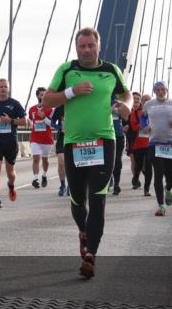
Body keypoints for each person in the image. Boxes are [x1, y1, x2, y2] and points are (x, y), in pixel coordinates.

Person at [43, 27, 130, 279]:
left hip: (104, 141)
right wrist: (72, 91)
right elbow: (47, 100)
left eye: (91, 45)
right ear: (76, 47)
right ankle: (83, 230)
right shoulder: (66, 70)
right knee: (78, 199)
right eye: (82, 46)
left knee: (99, 198)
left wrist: (126, 105)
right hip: (74, 144)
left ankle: (91, 254)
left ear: (98, 46)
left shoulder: (112, 70)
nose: (87, 50)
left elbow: (125, 92)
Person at [0, 78, 28, 209]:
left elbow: (24, 121)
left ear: (8, 89)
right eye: (0, 87)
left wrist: (10, 120)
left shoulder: (15, 104)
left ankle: (11, 186)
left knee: (10, 172)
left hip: (10, 142)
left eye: (5, 87)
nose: (3, 89)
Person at [145, 80, 172, 216]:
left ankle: (168, 189)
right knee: (158, 174)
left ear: (166, 90)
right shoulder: (148, 104)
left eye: (162, 89)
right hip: (154, 143)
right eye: (157, 89)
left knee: (169, 176)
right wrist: (145, 126)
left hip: (171, 143)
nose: (160, 91)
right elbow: (142, 117)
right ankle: (161, 205)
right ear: (154, 91)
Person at [28, 87, 55, 189]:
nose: (42, 96)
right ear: (37, 96)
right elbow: (31, 120)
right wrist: (30, 123)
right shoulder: (32, 109)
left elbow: (52, 124)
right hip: (35, 138)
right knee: (36, 159)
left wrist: (44, 117)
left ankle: (44, 175)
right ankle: (36, 179)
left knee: (45, 160)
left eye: (44, 94)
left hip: (46, 139)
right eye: (40, 94)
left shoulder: (50, 109)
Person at [129, 94, 153, 195]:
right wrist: (145, 126)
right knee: (138, 166)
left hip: (150, 143)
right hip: (138, 144)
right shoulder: (135, 112)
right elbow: (134, 127)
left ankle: (146, 189)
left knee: (148, 165)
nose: (147, 102)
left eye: (149, 100)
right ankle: (135, 177)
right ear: (142, 102)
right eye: (145, 100)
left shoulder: (154, 112)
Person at [110, 97, 129, 195]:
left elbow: (126, 117)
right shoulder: (100, 99)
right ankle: (108, 179)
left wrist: (121, 107)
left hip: (118, 135)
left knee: (117, 161)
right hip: (104, 136)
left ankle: (116, 184)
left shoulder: (119, 101)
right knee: (106, 161)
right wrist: (110, 110)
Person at [51, 105, 67, 196]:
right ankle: (62, 185)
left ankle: (71, 185)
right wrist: (59, 127)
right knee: (61, 162)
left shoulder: (78, 104)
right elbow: (52, 122)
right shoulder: (59, 108)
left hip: (75, 138)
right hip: (62, 139)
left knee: (72, 164)